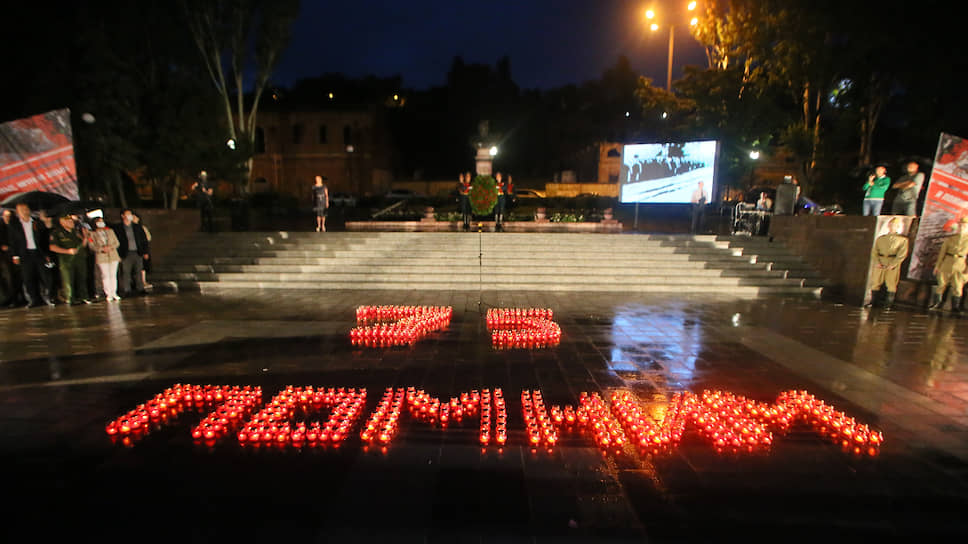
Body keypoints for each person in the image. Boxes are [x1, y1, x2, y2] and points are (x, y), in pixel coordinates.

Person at [6, 203, 54, 307]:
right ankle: (34, 299)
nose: (24, 211)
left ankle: (49, 297)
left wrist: (47, 223)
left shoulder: (37, 222)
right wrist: (15, 255)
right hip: (25, 254)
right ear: (18, 212)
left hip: (39, 252)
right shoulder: (14, 224)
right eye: (21, 210)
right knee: (28, 277)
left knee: (45, 276)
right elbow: (12, 241)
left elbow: (45, 237)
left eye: (26, 209)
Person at [49, 214, 92, 305]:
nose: (71, 223)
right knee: (68, 280)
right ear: (62, 222)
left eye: (72, 221)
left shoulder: (76, 232)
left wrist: (85, 237)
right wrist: (67, 251)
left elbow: (83, 245)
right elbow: (52, 247)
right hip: (67, 260)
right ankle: (70, 298)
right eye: (69, 221)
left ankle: (84, 296)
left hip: (79, 259)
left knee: (82, 278)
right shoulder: (57, 233)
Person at [867, 218, 909, 309]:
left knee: (891, 283)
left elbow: (902, 254)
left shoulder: (902, 240)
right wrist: (877, 262)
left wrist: (894, 264)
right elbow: (874, 251)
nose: (892, 227)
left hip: (892, 262)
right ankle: (873, 302)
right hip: (881, 261)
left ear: (897, 227)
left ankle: (889, 304)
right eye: (890, 225)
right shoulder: (881, 239)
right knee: (876, 282)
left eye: (894, 225)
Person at [929, 216, 968, 313]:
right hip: (947, 262)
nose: (962, 227)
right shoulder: (950, 239)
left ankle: (956, 307)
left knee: (958, 286)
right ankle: (937, 303)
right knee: (941, 284)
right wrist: (938, 266)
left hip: (960, 264)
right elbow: (942, 253)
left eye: (964, 226)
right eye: (960, 225)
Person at [113, 208, 150, 297]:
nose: (129, 216)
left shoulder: (137, 227)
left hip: (137, 252)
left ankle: (140, 288)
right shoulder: (118, 228)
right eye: (127, 214)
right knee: (126, 272)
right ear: (122, 216)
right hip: (126, 253)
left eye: (130, 214)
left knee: (138, 271)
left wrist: (145, 251)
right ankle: (127, 289)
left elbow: (144, 240)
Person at [88, 216, 121, 302]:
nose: (101, 223)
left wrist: (110, 247)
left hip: (113, 255)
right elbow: (91, 246)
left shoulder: (110, 231)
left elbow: (116, 242)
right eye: (99, 222)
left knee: (113, 275)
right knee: (105, 275)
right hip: (101, 257)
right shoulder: (92, 234)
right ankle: (108, 293)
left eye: (102, 221)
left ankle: (114, 292)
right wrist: (101, 249)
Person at [133, 213, 152, 290]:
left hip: (141, 250)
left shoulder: (142, 228)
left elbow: (148, 238)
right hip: (132, 250)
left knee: (142, 267)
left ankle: (143, 281)